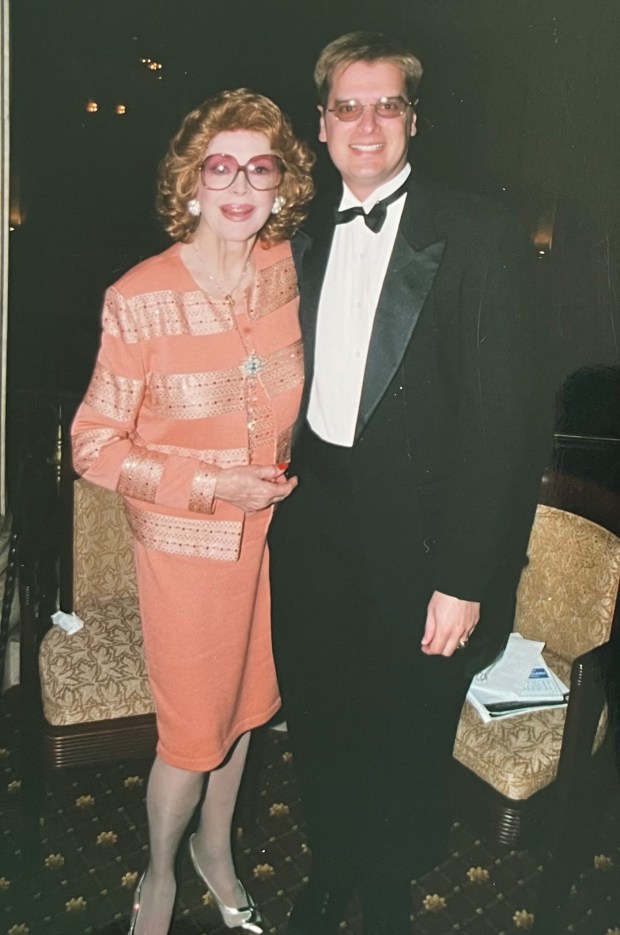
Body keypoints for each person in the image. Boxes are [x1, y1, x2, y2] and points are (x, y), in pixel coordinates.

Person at [269, 31, 548, 935]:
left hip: (424, 535)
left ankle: (387, 885)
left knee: (406, 723)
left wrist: (467, 575)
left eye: (387, 104)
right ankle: (331, 865)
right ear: (321, 124)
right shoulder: (296, 235)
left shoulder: (476, 233)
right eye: (348, 105)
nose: (367, 122)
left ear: (413, 121)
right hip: (313, 522)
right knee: (319, 711)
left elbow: (503, 427)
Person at [71, 89, 314, 935]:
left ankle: (219, 852)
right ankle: (161, 871)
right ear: (192, 183)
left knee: (248, 708)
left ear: (282, 184)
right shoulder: (139, 297)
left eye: (260, 167)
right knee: (190, 733)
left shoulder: (287, 269)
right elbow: (93, 444)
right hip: (183, 553)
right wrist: (212, 486)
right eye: (221, 167)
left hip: (271, 542)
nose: (240, 185)